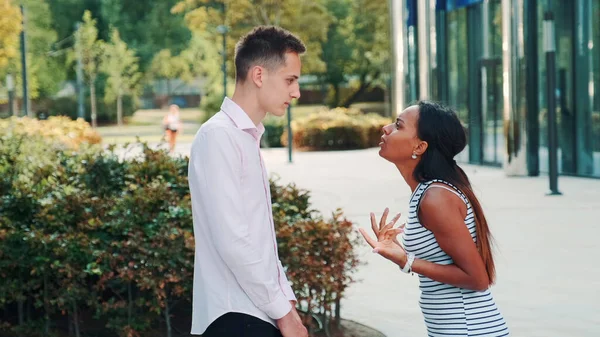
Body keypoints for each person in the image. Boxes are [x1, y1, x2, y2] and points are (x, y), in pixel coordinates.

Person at [188, 26, 308, 337]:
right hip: (234, 315)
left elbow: (258, 240)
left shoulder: (244, 138)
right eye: (290, 80)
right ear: (258, 75)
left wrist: (286, 305)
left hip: (254, 314)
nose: (296, 93)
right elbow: (234, 241)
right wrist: (283, 312)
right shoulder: (218, 136)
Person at [359, 101, 510, 337]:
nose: (386, 128)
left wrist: (407, 261)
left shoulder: (435, 197)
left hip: (468, 330)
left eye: (398, 126)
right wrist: (398, 250)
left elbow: (478, 278)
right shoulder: (426, 191)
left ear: (419, 147)